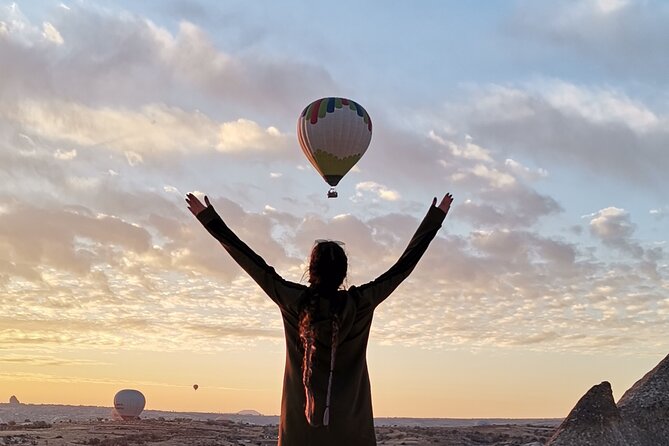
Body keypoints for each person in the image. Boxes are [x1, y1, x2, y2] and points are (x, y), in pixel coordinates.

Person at [186, 192, 453, 446]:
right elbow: (402, 267)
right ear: (343, 272)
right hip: (352, 431)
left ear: (310, 270)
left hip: (299, 430)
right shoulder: (360, 303)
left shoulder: (294, 301)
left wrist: (210, 219)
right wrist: (435, 218)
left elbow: (252, 263)